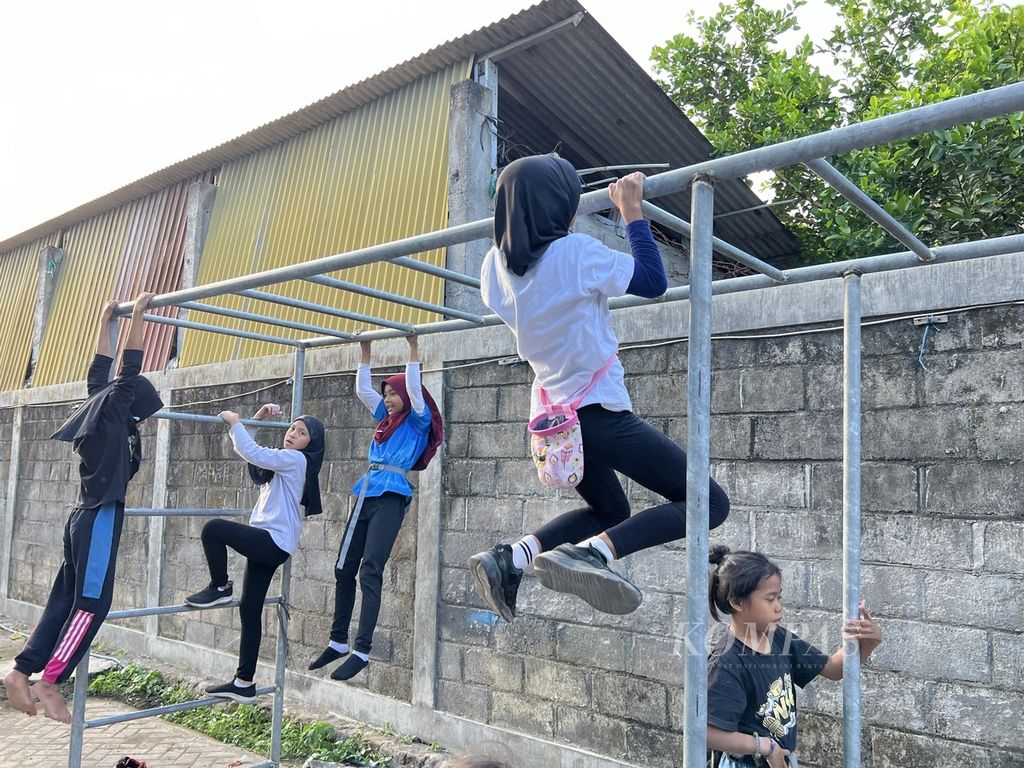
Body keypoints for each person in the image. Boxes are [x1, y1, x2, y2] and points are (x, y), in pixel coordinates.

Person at [467, 154, 730, 619]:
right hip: (598, 413)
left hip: (554, 423)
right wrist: (632, 211)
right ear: (556, 207)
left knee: (610, 512)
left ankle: (511, 557)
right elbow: (653, 282)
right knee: (708, 501)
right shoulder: (574, 253)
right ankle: (594, 555)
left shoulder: (493, 269)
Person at [3, 293, 163, 723]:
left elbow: (100, 372)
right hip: (99, 517)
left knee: (63, 600)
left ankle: (21, 671)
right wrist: (140, 314)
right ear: (133, 404)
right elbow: (128, 369)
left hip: (81, 518)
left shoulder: (98, 407)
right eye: (143, 410)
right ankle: (50, 679)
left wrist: (103, 319)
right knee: (93, 603)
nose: (144, 418)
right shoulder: (115, 414)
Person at [309, 333, 441, 681]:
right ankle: (338, 640)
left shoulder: (416, 420)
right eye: (387, 393)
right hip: (366, 492)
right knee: (343, 567)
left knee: (370, 570)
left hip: (391, 496)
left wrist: (414, 349)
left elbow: (414, 391)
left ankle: (362, 649)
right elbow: (363, 392)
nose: (388, 397)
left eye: (393, 392)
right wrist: (365, 354)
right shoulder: (384, 421)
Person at [184, 403, 325, 702]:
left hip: (272, 541)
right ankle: (244, 682)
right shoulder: (284, 463)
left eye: (302, 433)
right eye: (291, 429)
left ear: (310, 444)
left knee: (213, 529)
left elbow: (256, 453)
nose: (292, 434)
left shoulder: (297, 461)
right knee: (250, 609)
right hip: (270, 543)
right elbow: (257, 461)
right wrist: (256, 420)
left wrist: (234, 423)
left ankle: (220, 586)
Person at [706, 545, 882, 767]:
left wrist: (865, 642)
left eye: (780, 597)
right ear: (737, 602)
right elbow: (707, 732)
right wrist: (766, 747)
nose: (779, 607)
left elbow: (834, 669)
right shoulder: (726, 662)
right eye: (770, 599)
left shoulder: (778, 637)